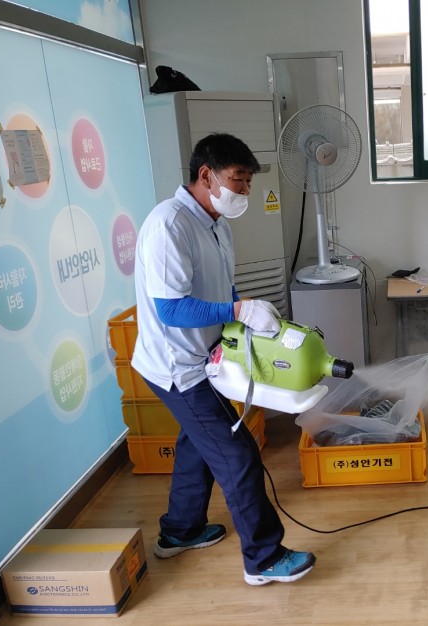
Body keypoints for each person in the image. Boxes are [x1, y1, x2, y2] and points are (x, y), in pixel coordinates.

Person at [131, 132, 315, 585]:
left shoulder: (216, 223)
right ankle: (263, 558)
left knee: (199, 443)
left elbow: (222, 287)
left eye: (249, 182)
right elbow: (171, 309)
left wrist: (242, 322)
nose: (245, 191)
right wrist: (238, 311)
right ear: (206, 175)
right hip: (178, 367)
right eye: (238, 179)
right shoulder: (169, 225)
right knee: (237, 454)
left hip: (206, 356)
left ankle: (180, 531)